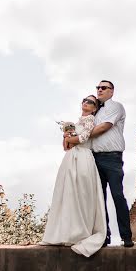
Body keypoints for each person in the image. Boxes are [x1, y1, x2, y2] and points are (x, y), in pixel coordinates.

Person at [40, 95, 107, 257]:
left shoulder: (90, 120)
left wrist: (71, 138)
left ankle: (79, 232)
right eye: (84, 100)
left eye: (91, 102)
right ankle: (65, 231)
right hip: (70, 158)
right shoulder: (76, 123)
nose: (86, 102)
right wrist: (66, 137)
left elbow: (84, 138)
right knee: (68, 193)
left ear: (95, 108)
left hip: (83, 157)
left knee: (81, 193)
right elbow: (67, 147)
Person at [89, 80, 134, 247]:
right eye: (98, 88)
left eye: (104, 88)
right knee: (99, 199)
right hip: (94, 158)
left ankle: (126, 236)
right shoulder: (94, 111)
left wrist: (80, 136)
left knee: (117, 196)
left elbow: (103, 128)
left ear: (112, 91)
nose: (100, 90)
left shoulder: (115, 107)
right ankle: (104, 237)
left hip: (112, 158)